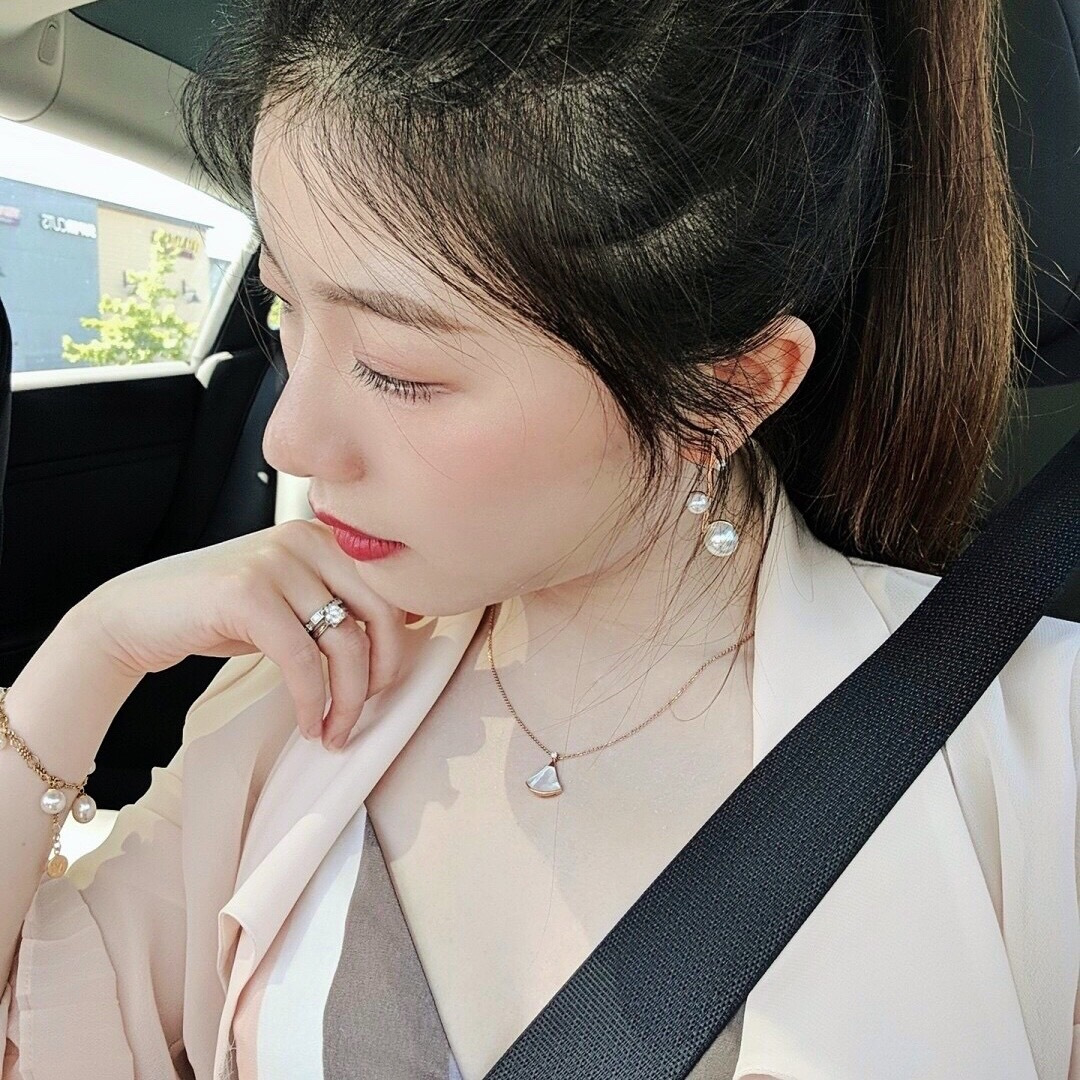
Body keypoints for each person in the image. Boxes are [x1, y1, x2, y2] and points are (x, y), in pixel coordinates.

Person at [1, 0, 1077, 1077]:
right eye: (284, 307)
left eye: (397, 371)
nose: (288, 438)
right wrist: (92, 650)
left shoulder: (1037, 751)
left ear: (731, 390)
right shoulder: (299, 698)